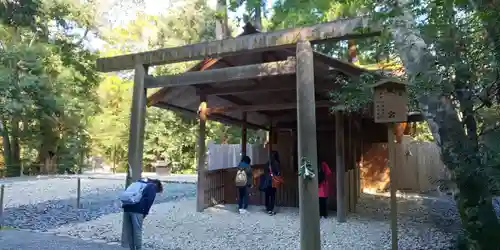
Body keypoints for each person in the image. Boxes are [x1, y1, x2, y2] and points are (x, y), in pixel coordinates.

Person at [121, 178, 163, 250]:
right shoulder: (152, 186)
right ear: (158, 186)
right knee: (137, 231)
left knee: (130, 231)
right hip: (137, 209)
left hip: (127, 206)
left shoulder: (139, 182)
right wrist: (144, 214)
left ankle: (132, 248)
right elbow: (149, 202)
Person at [260, 150, 281, 215]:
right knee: (272, 195)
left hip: (267, 180)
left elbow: (264, 171)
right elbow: (278, 172)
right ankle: (270, 209)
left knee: (267, 194)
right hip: (273, 181)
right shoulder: (276, 163)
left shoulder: (268, 163)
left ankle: (267, 206)